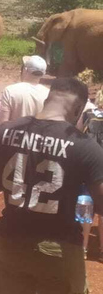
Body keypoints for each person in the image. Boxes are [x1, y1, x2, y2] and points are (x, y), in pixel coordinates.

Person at [0, 78, 103, 294]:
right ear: (78, 109)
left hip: (11, 241)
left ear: (48, 98)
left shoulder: (5, 132)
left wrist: (23, 182)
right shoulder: (85, 147)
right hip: (59, 250)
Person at [82, 89, 103, 261]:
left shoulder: (88, 114)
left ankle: (83, 248)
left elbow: (77, 135)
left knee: (86, 203)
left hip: (89, 163)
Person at [0, 55, 50, 125]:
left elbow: (2, 123)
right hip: (37, 135)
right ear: (44, 74)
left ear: (25, 70)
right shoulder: (48, 93)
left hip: (13, 135)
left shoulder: (10, 91)